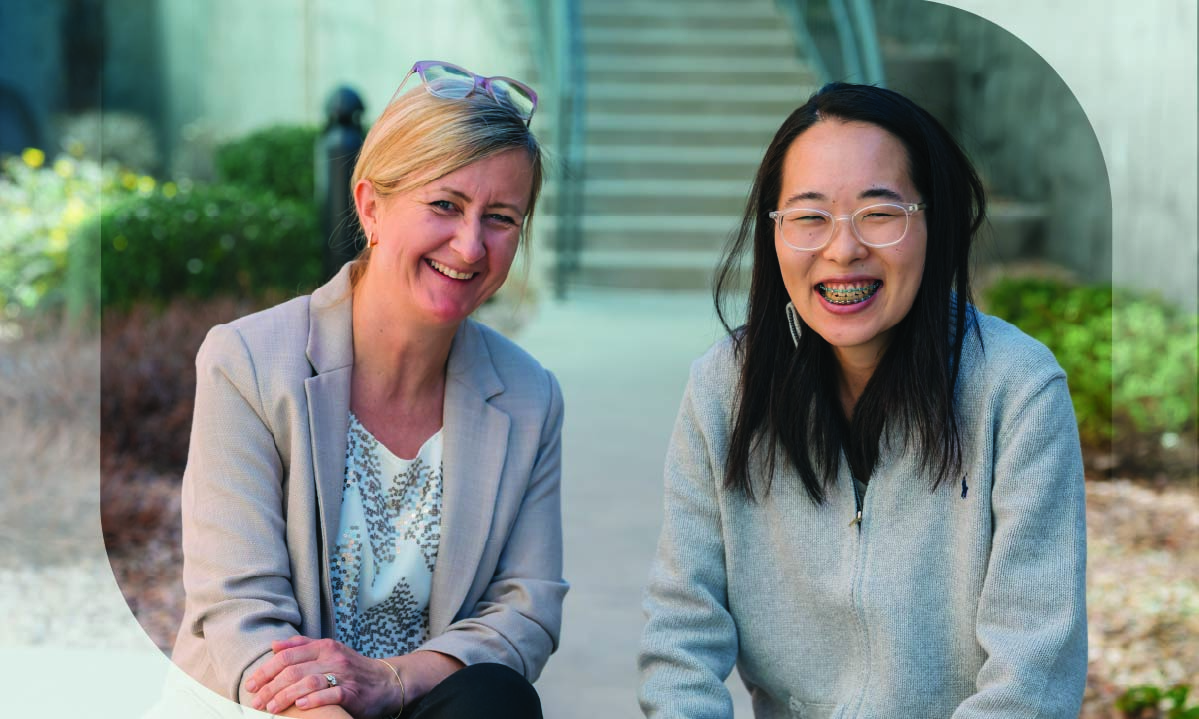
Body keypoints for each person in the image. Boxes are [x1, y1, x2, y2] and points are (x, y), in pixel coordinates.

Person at [638, 82, 1087, 718]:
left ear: (934, 222)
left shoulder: (1016, 391)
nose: (842, 249)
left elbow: (1033, 673)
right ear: (774, 231)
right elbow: (680, 636)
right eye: (809, 216)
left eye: (880, 213)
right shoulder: (724, 388)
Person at [172, 60, 567, 719]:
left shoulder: (529, 396)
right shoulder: (246, 361)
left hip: (417, 702)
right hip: (271, 706)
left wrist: (392, 677)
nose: (470, 246)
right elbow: (242, 612)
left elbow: (526, 607)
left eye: (501, 218)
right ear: (370, 205)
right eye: (445, 205)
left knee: (494, 696)